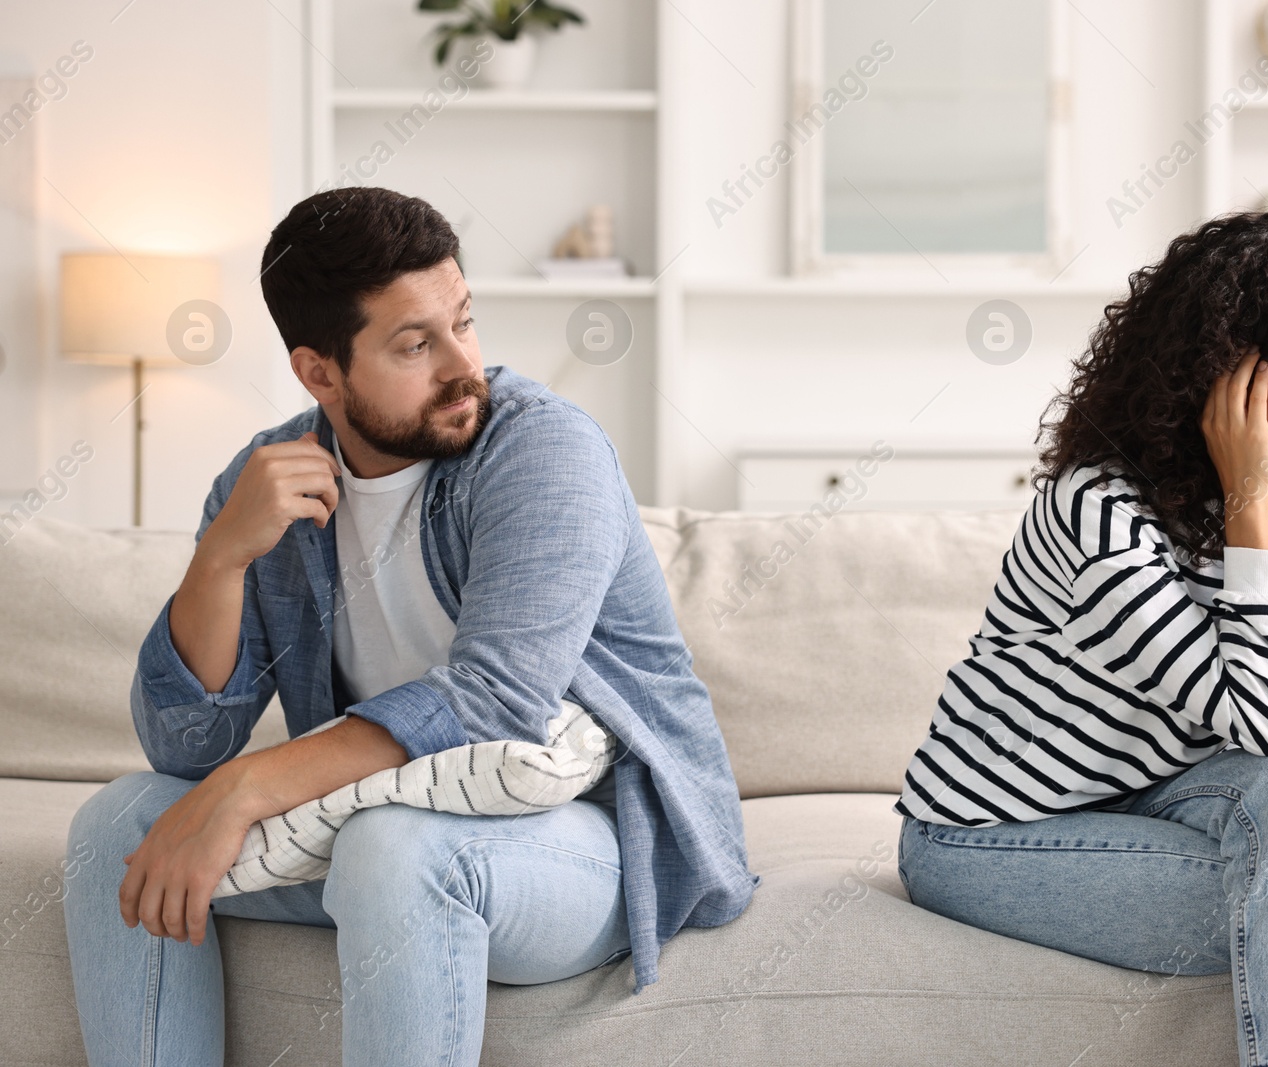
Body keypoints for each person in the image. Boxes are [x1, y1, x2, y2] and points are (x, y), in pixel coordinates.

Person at [62, 186, 757, 1067]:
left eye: (463, 321)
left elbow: (494, 700)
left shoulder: (546, 450)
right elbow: (184, 746)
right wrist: (220, 561)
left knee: (392, 850)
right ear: (320, 372)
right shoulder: (266, 480)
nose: (462, 363)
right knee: (117, 823)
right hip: (371, 828)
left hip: (586, 836)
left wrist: (249, 788)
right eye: (414, 345)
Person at [893, 210, 1268, 1067]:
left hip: (1150, 800)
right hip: (986, 836)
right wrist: (1256, 499)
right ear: (1211, 366)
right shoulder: (1098, 511)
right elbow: (1266, 725)